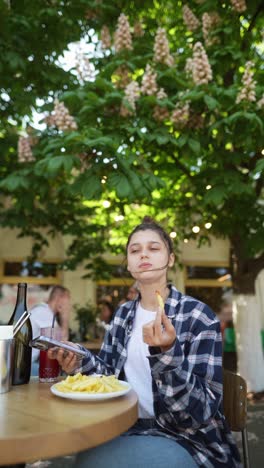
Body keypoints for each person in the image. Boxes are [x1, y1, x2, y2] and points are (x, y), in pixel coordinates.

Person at [48, 218, 241, 467]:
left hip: (186, 438)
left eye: (154, 248)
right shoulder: (123, 315)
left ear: (170, 259)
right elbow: (109, 379)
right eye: (135, 250)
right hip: (126, 427)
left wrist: (168, 353)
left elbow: (199, 413)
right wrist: (79, 360)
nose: (143, 255)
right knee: (84, 458)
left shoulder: (198, 316)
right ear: (128, 264)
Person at [30, 285, 71, 375]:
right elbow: (62, 343)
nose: (69, 305)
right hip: (28, 365)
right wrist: (65, 316)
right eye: (68, 300)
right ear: (60, 298)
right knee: (58, 373)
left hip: (29, 362)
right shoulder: (44, 312)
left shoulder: (43, 310)